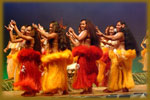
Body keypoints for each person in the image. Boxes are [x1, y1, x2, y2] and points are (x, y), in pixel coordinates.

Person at [32, 21, 73, 95]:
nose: (50, 28)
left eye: (51, 27)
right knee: (51, 72)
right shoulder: (52, 34)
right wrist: (40, 30)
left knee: (55, 73)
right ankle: (53, 89)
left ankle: (58, 89)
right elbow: (46, 36)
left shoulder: (55, 34)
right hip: (51, 56)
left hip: (55, 57)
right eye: (49, 27)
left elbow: (47, 36)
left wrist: (38, 29)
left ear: (56, 27)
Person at [97, 21, 137, 93]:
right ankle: (125, 87)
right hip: (123, 54)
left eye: (118, 25)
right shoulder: (124, 34)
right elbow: (115, 45)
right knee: (123, 71)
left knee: (114, 71)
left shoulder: (121, 33)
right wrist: (105, 41)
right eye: (117, 25)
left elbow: (113, 38)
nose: (117, 27)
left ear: (123, 25)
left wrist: (102, 35)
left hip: (120, 55)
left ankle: (113, 87)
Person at [67, 19, 102, 94]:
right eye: (81, 24)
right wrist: (70, 37)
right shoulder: (85, 32)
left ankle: (87, 89)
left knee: (85, 71)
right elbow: (77, 45)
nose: (82, 25)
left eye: (83, 24)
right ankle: (87, 89)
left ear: (87, 25)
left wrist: (73, 32)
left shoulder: (86, 32)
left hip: (86, 54)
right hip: (85, 53)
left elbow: (79, 39)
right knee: (86, 71)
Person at [10, 20, 42, 96]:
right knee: (25, 74)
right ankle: (28, 90)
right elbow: (12, 40)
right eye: (26, 30)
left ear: (32, 32)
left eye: (29, 30)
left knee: (29, 75)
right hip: (25, 59)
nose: (27, 31)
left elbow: (20, 35)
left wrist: (15, 26)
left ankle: (31, 91)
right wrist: (10, 31)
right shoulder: (26, 38)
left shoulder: (31, 39)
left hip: (30, 60)